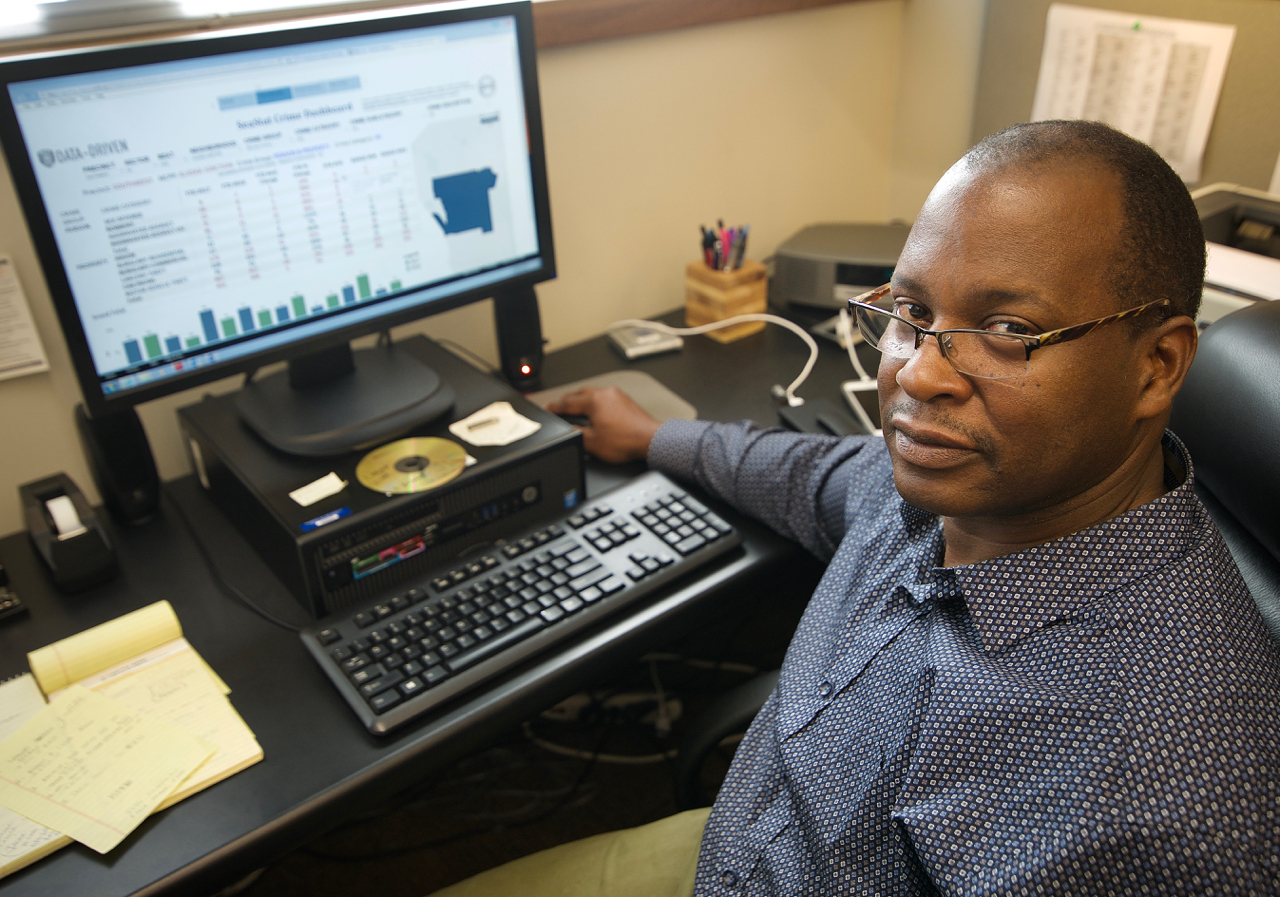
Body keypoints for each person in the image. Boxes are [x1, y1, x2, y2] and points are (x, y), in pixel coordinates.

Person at [431, 121, 1280, 896]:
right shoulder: (959, 482)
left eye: (1008, 329)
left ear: (1157, 365)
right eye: (911, 312)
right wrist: (655, 435)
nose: (915, 373)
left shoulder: (1154, 804)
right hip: (739, 844)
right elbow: (811, 473)